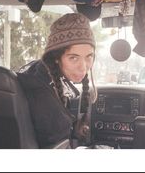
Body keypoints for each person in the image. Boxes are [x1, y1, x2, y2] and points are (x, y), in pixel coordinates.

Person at [17, 13, 97, 149]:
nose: (83, 67)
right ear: (56, 57)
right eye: (73, 58)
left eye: (89, 57)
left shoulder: (36, 71)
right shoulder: (40, 90)